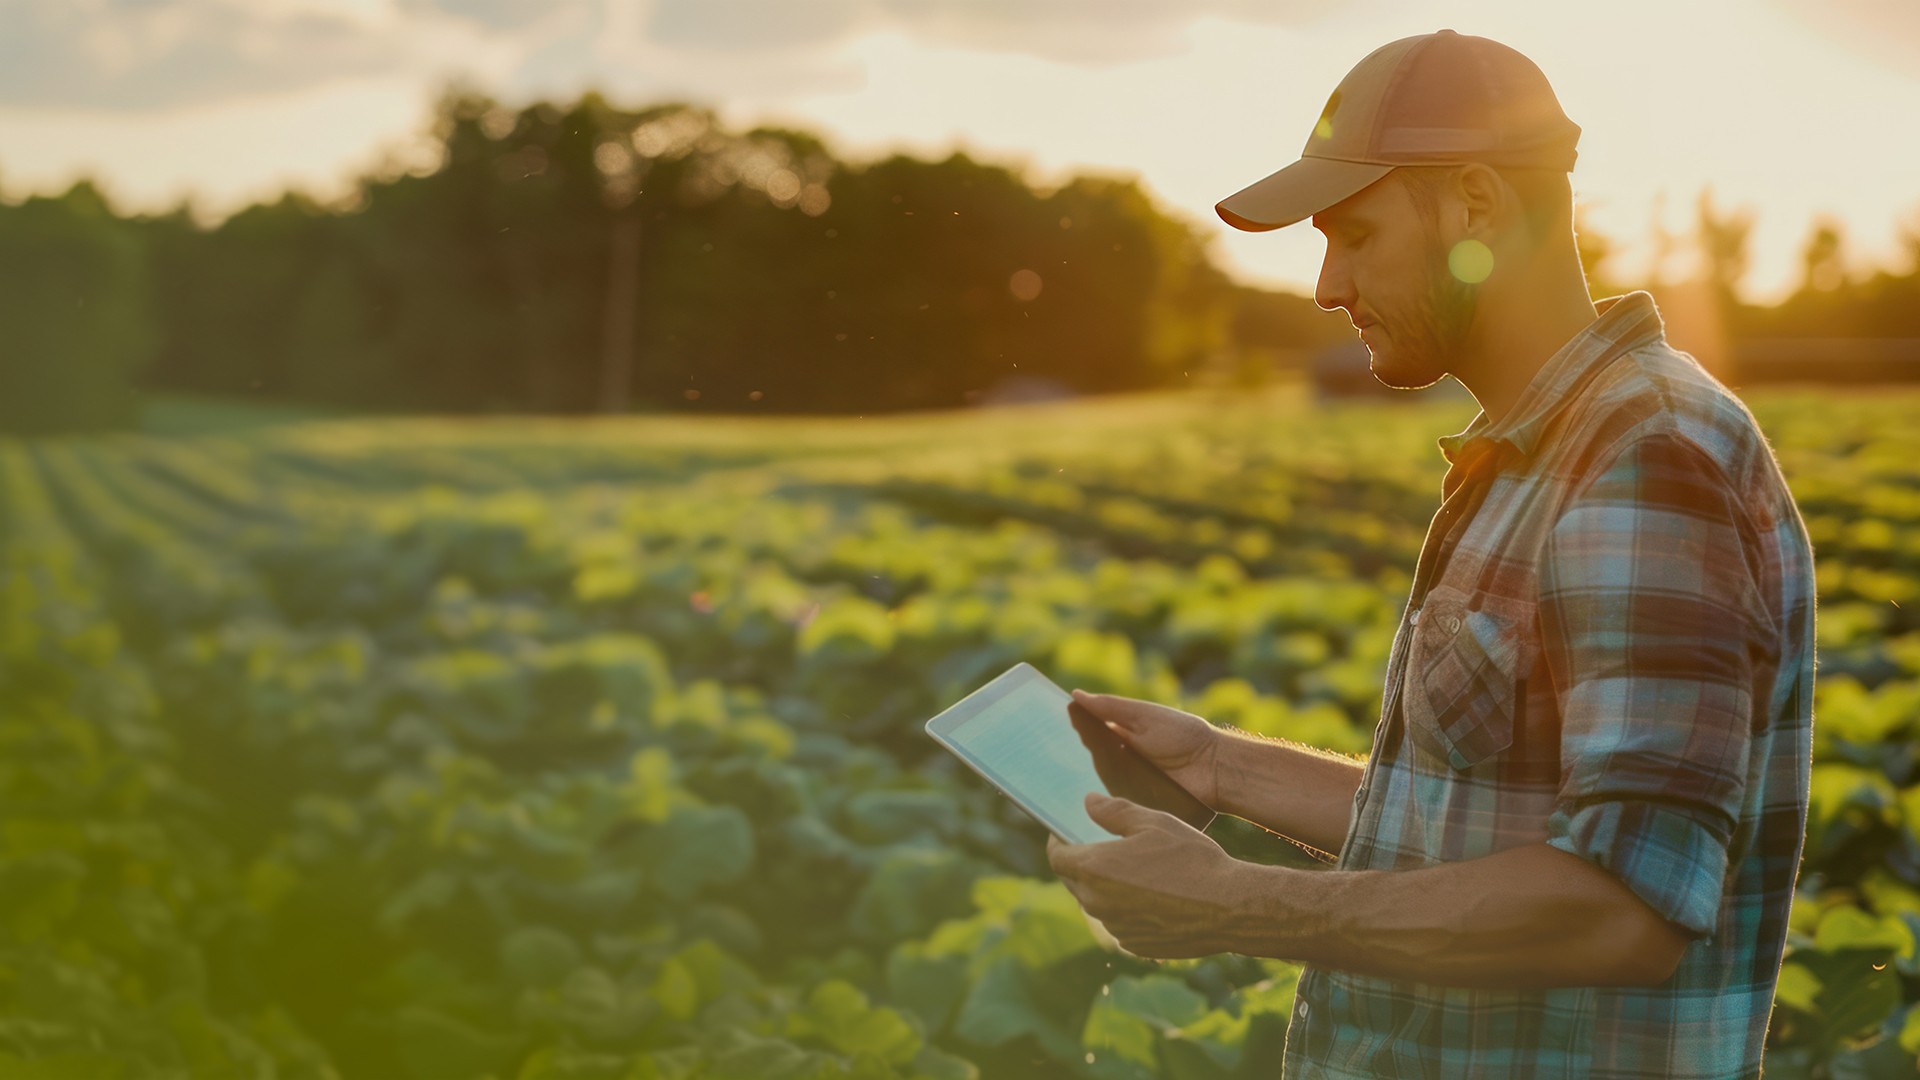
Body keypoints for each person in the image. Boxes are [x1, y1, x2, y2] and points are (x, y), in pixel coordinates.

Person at [1045, 28, 1817, 1080]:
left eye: (1355, 235)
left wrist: (1238, 904)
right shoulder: (1539, 451)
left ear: (1475, 205)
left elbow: (1619, 909)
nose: (1328, 285)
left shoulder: (1645, 458)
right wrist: (1224, 767)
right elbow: (1487, 818)